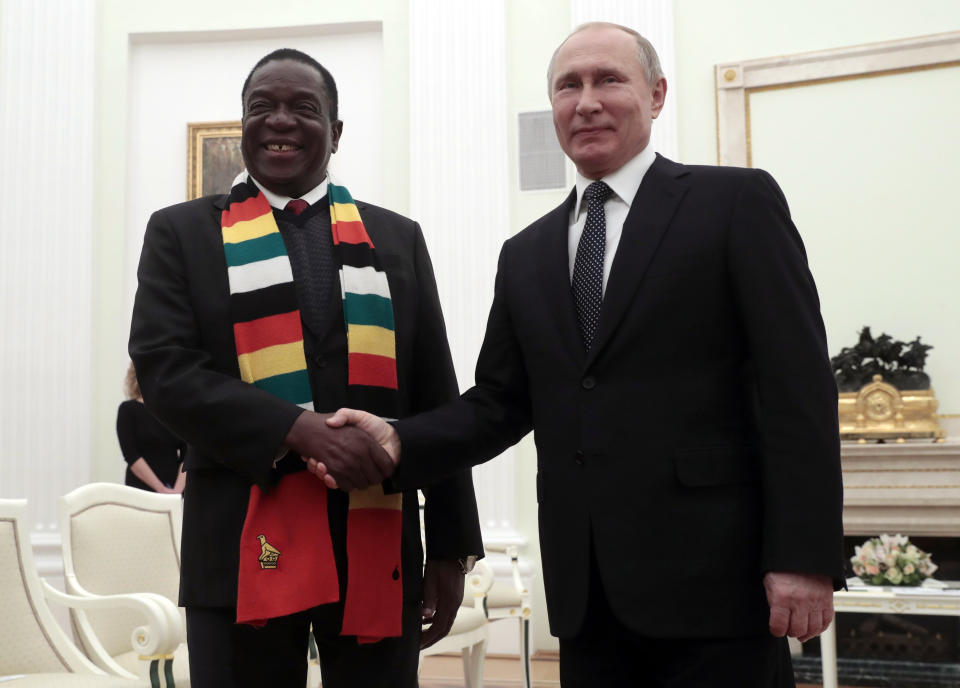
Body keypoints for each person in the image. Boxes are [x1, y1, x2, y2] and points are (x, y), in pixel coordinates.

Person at [318, 22, 845, 688]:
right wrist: (398, 440)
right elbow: (500, 403)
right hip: (587, 594)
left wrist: (803, 556)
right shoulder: (527, 253)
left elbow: (795, 386)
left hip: (717, 587)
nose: (587, 101)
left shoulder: (734, 204)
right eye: (569, 85)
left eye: (608, 80)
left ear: (656, 95)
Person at [129, 48, 483, 688]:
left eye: (303, 108)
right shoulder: (180, 233)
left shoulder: (395, 239)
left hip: (377, 541)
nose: (280, 121)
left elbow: (435, 391)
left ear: (337, 132)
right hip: (240, 538)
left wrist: (453, 546)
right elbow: (164, 371)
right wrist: (296, 429)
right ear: (242, 126)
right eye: (261, 108)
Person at [116, 362, 186, 493]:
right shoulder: (128, 410)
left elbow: (188, 454)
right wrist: (161, 489)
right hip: (141, 491)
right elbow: (131, 455)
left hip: (175, 491)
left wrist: (177, 491)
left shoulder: (174, 412)